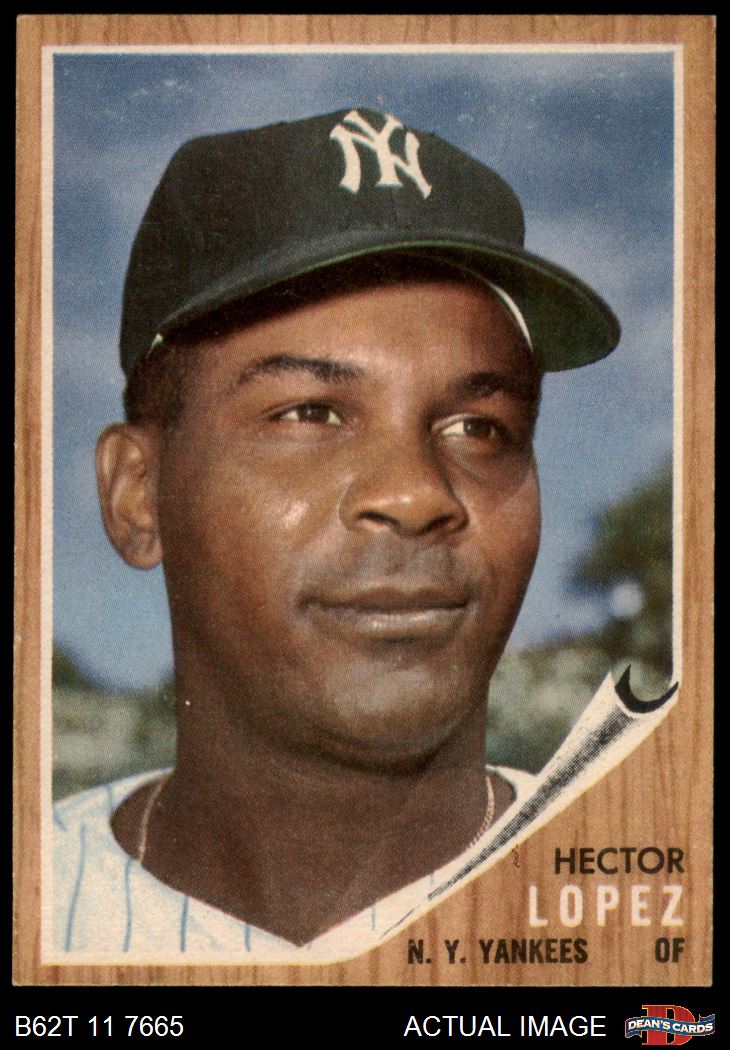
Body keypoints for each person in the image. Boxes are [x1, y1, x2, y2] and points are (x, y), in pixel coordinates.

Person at [53, 108, 622, 961]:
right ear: (138, 495)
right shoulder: (36, 897)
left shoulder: (646, 902)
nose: (416, 494)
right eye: (310, 414)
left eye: (479, 428)